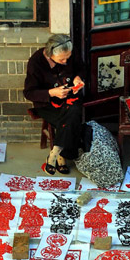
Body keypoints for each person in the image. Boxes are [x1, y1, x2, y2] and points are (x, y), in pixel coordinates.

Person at [24, 34, 85, 176]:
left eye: (68, 58)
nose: (65, 61)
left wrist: (78, 78)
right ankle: (62, 155)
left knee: (73, 110)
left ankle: (55, 152)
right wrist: (52, 92)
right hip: (47, 103)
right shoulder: (36, 62)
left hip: (70, 97)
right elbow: (29, 93)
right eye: (61, 59)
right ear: (50, 53)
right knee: (69, 118)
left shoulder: (70, 51)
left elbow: (81, 68)